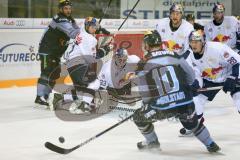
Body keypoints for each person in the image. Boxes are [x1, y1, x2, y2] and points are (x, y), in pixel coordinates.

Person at [132, 30, 220, 153]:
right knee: (191, 123)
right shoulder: (174, 55)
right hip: (185, 101)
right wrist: (187, 86)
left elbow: (145, 92)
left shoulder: (143, 63)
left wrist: (147, 103)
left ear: (146, 45)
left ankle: (153, 143)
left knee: (138, 117)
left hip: (162, 107)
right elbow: (190, 75)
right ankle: (210, 143)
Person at [54, 48, 140, 114]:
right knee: (93, 88)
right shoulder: (107, 69)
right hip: (106, 85)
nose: (122, 62)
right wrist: (102, 98)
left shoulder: (133, 59)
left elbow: (143, 65)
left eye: (124, 59)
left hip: (119, 84)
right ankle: (68, 99)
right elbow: (102, 88)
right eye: (119, 59)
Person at [55, 16, 111, 112]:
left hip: (71, 66)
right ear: (87, 26)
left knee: (81, 90)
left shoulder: (80, 32)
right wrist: (104, 50)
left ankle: (60, 98)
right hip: (78, 64)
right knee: (95, 82)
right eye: (92, 26)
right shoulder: (90, 39)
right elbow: (91, 58)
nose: (94, 29)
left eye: (95, 27)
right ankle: (85, 105)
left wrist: (96, 31)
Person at [35, 0, 80, 107]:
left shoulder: (69, 19)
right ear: (60, 9)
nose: (68, 10)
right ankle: (39, 96)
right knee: (47, 72)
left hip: (54, 52)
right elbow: (73, 33)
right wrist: (87, 32)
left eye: (69, 8)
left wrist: (87, 31)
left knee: (54, 74)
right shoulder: (61, 20)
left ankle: (47, 95)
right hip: (47, 51)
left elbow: (77, 30)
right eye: (65, 8)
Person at [187, 30, 240, 118]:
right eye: (191, 42)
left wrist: (233, 76)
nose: (193, 45)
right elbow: (195, 73)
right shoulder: (189, 55)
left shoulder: (218, 48)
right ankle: (196, 126)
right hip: (210, 80)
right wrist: (195, 83)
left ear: (203, 42)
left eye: (196, 42)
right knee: (196, 104)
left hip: (229, 74)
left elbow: (237, 62)